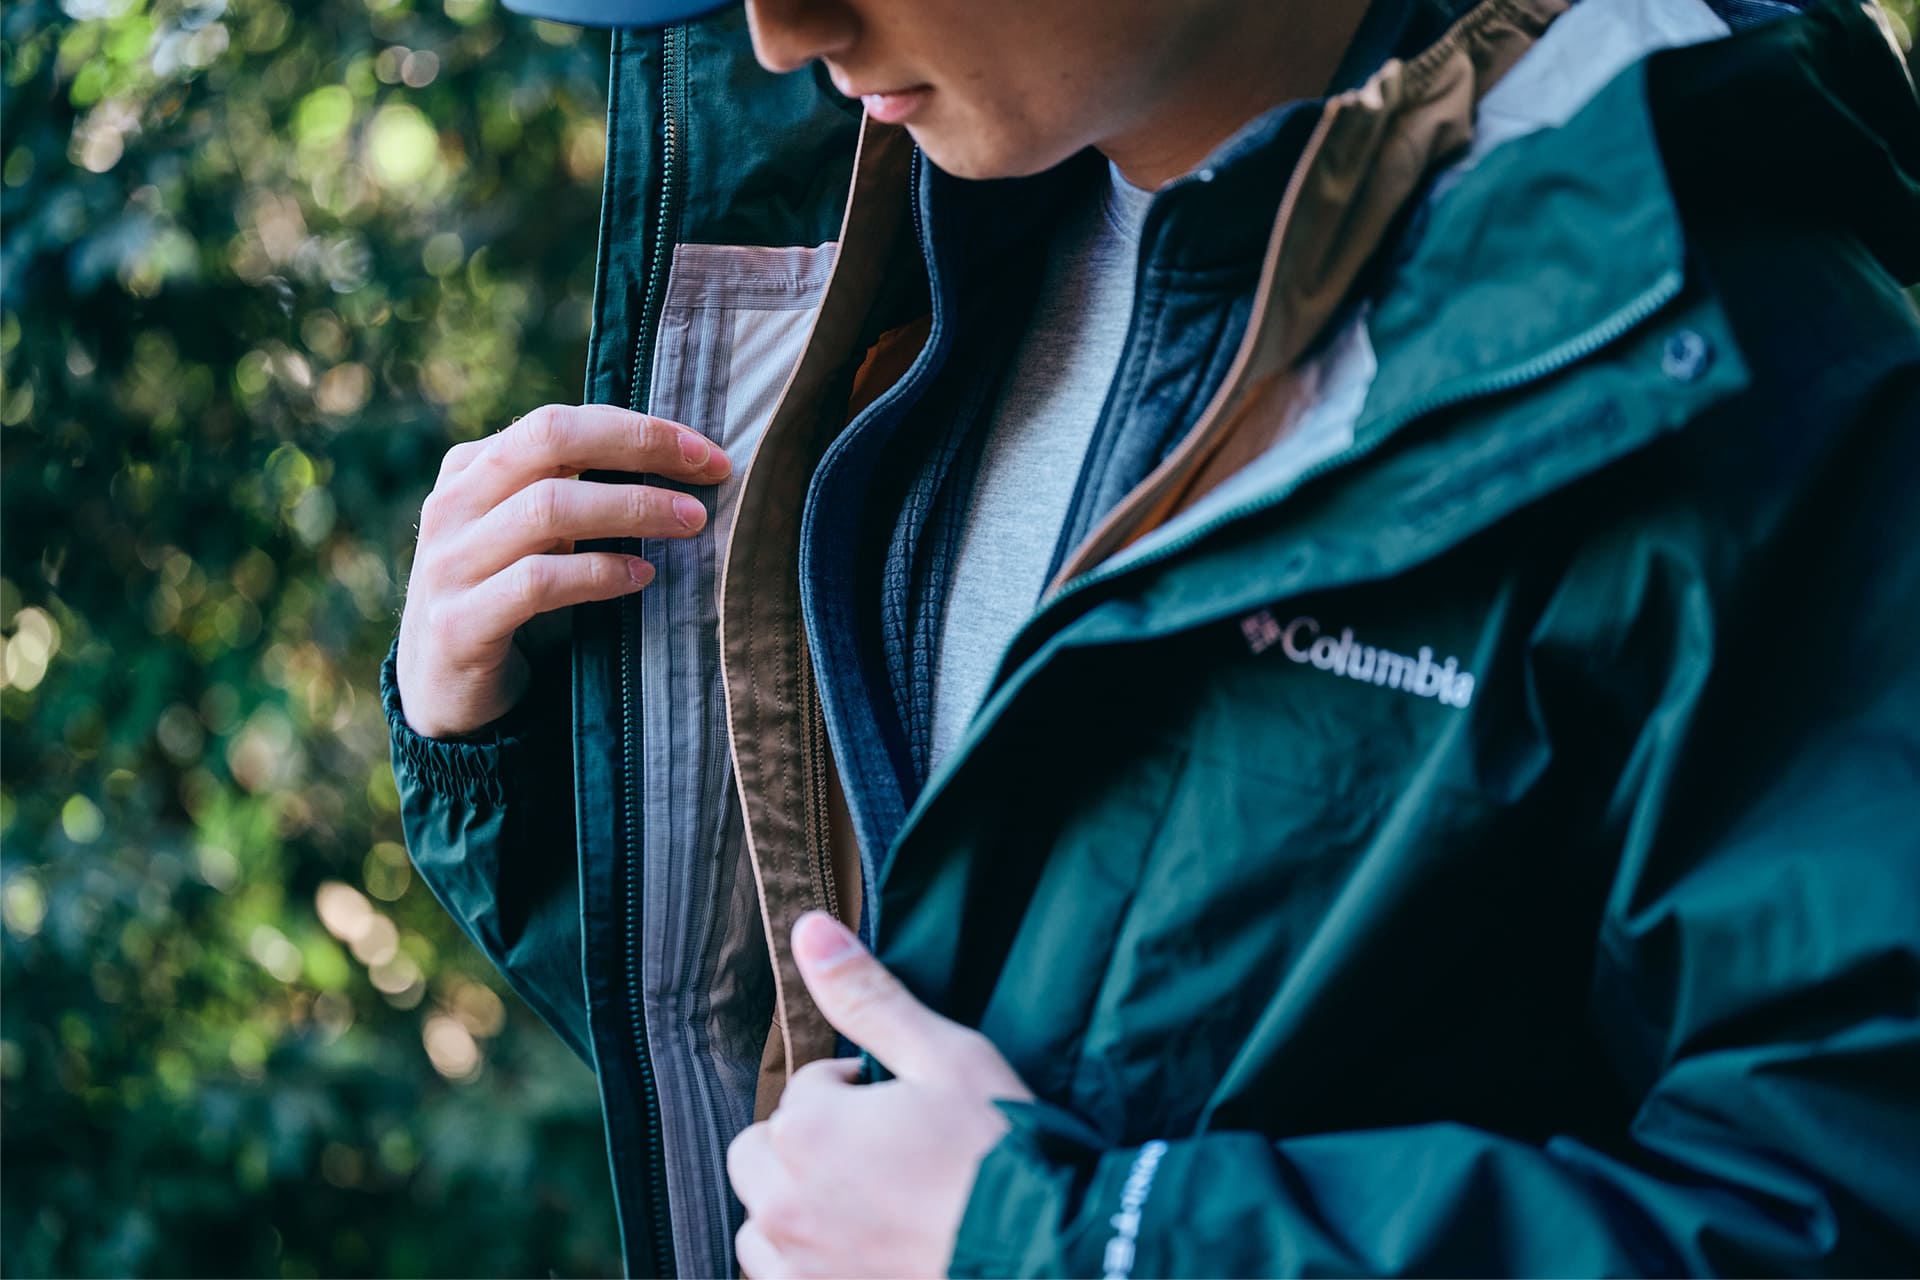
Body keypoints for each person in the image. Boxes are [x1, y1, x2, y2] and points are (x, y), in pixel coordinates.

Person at [385, 0, 1920, 1272]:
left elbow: (1837, 1201)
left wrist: (1071, 1247)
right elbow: (837, 1033)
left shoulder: (1741, 376)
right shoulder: (886, 238)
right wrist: (500, 738)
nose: (779, 34)